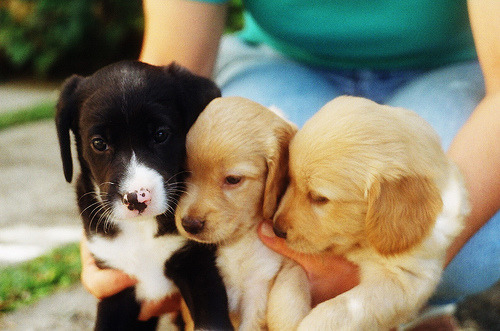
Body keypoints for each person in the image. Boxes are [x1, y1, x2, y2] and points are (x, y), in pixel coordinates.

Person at [81, 0, 500, 323]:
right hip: (278, 63)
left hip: (457, 69)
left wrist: (387, 281)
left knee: (470, 244)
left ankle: (414, 312)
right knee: (244, 191)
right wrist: (126, 204)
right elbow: (167, 68)